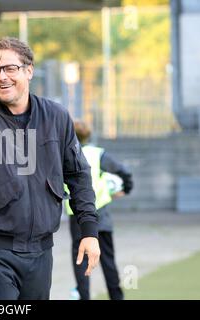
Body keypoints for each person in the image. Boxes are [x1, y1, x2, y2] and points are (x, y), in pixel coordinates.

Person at [0, 37, 100, 300]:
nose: (2, 77)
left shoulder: (57, 117)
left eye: (10, 69)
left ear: (29, 70)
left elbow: (78, 176)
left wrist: (89, 232)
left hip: (41, 252)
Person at [66, 119, 133, 300]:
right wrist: (126, 189)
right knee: (108, 261)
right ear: (89, 134)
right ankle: (116, 297)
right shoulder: (98, 155)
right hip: (100, 214)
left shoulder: (65, 154)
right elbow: (124, 171)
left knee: (80, 260)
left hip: (77, 218)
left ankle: (83, 296)